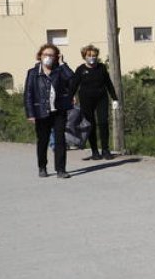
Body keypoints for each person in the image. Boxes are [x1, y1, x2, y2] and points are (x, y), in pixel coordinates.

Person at [24, 44, 75, 178]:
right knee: (43, 140)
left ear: (56, 57)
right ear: (40, 56)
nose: (48, 57)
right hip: (40, 111)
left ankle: (61, 170)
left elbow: (72, 80)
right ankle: (42, 167)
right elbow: (28, 94)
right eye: (45, 54)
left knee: (60, 141)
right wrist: (30, 114)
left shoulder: (60, 70)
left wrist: (63, 64)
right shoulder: (33, 73)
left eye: (51, 55)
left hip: (58, 111)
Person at [69, 44, 118, 160]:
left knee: (103, 122)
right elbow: (73, 85)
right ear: (84, 56)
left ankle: (105, 150)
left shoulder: (101, 67)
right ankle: (95, 151)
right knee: (90, 124)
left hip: (101, 98)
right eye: (89, 55)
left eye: (94, 55)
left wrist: (114, 98)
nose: (92, 57)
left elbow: (108, 83)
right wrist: (69, 98)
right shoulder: (81, 69)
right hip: (86, 99)